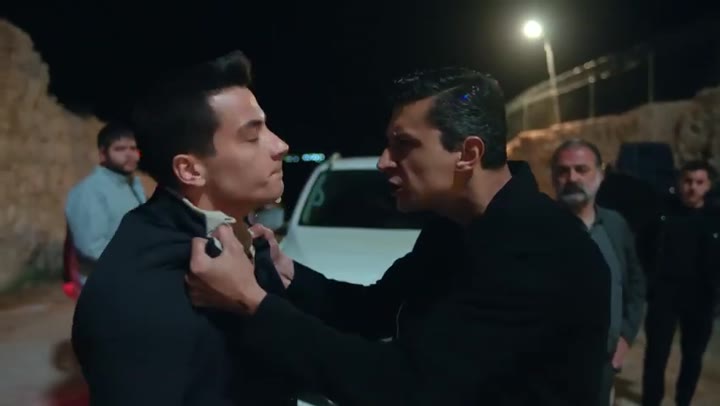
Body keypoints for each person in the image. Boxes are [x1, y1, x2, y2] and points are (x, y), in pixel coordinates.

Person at [185, 67, 612, 405]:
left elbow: (403, 386)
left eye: (403, 144)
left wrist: (251, 304)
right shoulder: (454, 227)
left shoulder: (538, 250)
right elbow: (375, 310)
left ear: (468, 154)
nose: (384, 162)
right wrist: (288, 272)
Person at [71, 51, 297, 405]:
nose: (281, 146)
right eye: (253, 136)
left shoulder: (244, 236)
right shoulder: (139, 301)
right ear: (190, 170)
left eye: (267, 128)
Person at [550, 139, 646, 406]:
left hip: (602, 364)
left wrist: (625, 337)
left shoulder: (615, 225)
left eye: (581, 169)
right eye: (563, 171)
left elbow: (636, 283)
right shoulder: (535, 227)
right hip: (550, 368)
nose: (572, 178)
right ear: (553, 177)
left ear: (600, 174)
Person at [642, 160, 720, 406]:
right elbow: (643, 247)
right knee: (656, 355)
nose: (692, 187)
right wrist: (648, 282)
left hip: (701, 299)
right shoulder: (662, 213)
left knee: (693, 357)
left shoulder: (715, 219)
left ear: (709, 185)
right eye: (688, 181)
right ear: (679, 182)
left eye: (699, 182)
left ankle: (683, 401)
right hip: (664, 295)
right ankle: (651, 401)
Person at [64, 123, 146, 285]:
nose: (129, 154)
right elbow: (92, 248)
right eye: (120, 149)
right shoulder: (89, 191)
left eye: (133, 148)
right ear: (103, 154)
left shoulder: (133, 184)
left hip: (136, 277)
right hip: (107, 284)